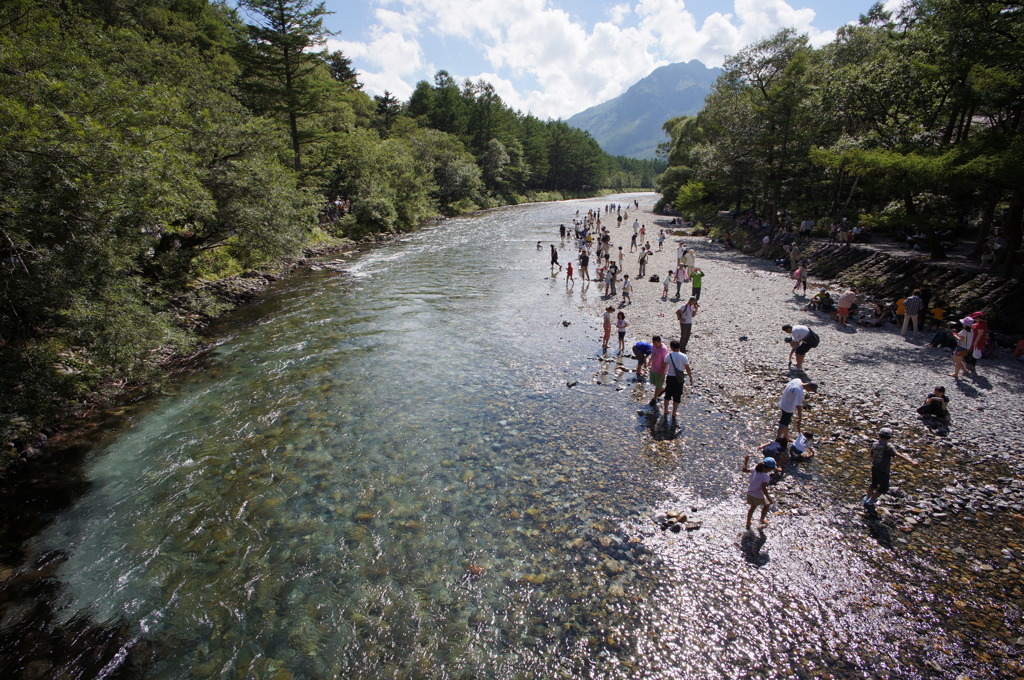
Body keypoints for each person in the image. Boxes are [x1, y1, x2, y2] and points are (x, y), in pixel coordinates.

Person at [864, 428, 918, 509]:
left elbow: (871, 455)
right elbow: (897, 454)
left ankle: (867, 498)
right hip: (883, 470)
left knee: (874, 483)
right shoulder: (889, 446)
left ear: (879, 435)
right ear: (890, 437)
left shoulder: (875, 444)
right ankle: (870, 502)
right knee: (883, 487)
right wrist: (911, 461)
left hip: (874, 467)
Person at [742, 456, 776, 530]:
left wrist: (746, 461)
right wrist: (769, 498)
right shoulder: (766, 476)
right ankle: (762, 520)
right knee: (767, 505)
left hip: (750, 493)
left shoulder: (755, 469)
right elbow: (763, 488)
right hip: (758, 495)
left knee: (752, 508)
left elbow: (744, 470)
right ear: (769, 468)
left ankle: (748, 522)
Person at [662, 340, 692, 422]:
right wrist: (690, 378)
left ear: (671, 347)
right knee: (677, 395)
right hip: (679, 379)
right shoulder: (684, 356)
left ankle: (665, 410)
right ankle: (674, 412)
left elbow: (664, 367)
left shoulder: (669, 355)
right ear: (679, 347)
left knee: (668, 394)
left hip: (670, 377)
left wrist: (661, 376)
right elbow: (687, 368)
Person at [647, 336, 669, 406]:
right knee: (653, 382)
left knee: (658, 385)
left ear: (659, 342)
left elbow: (665, 362)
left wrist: (661, 373)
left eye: (655, 344)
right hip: (654, 368)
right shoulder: (654, 346)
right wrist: (650, 361)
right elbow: (653, 354)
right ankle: (662, 389)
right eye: (653, 343)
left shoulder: (663, 349)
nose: (654, 345)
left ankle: (654, 399)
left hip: (661, 370)